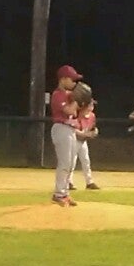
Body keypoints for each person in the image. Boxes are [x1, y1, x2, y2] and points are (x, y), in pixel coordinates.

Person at [50, 64, 83, 206]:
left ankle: (64, 193)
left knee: (70, 164)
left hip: (70, 130)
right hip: (61, 128)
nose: (74, 82)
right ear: (63, 79)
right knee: (64, 163)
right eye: (72, 79)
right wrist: (76, 101)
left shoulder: (69, 95)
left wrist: (82, 100)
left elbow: (76, 113)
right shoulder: (57, 94)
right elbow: (69, 111)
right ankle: (58, 194)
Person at [69, 99, 100, 191]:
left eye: (92, 105)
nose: (92, 107)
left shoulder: (92, 116)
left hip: (83, 141)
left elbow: (92, 128)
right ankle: (69, 182)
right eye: (90, 105)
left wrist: (94, 132)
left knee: (86, 161)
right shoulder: (77, 115)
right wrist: (84, 134)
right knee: (72, 162)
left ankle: (89, 182)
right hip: (74, 140)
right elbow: (73, 129)